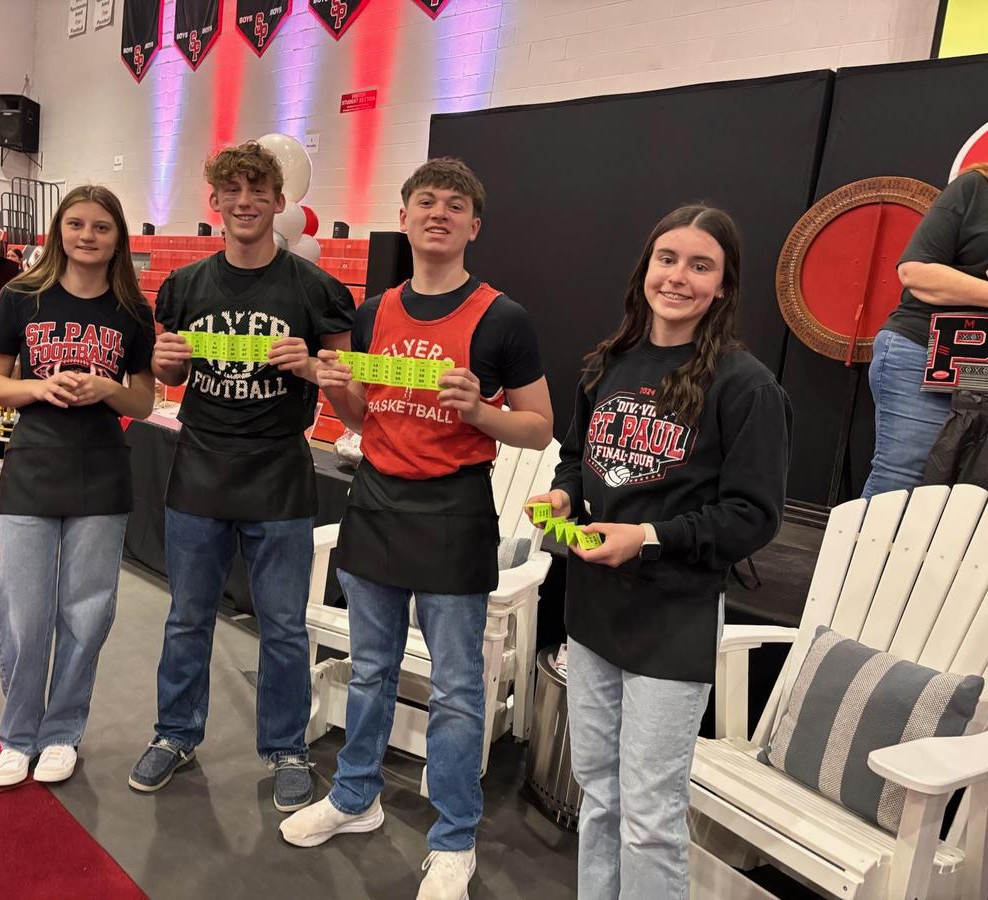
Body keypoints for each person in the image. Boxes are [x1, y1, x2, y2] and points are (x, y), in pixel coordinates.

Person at [280, 158, 554, 900]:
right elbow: (366, 414)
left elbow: (538, 427)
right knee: (370, 669)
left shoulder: (503, 318)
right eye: (425, 201)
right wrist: (340, 390)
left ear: (474, 225)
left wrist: (481, 412)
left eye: (455, 204)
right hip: (375, 502)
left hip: (454, 511)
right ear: (402, 218)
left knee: (458, 688)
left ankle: (455, 835)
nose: (439, 213)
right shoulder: (373, 313)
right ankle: (355, 797)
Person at [524, 206, 789, 900]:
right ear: (645, 268)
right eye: (666, 259)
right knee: (599, 791)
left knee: (649, 815)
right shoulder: (608, 363)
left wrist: (645, 538)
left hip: (673, 619)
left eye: (701, 266)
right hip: (592, 611)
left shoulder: (746, 385)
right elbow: (577, 455)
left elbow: (753, 517)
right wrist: (563, 494)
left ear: (724, 285)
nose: (677, 277)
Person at [129, 142, 354, 812]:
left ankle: (286, 747)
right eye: (234, 190)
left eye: (260, 190)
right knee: (187, 617)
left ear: (280, 201)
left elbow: (350, 391)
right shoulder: (184, 286)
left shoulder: (316, 289)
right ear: (216, 201)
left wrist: (314, 367)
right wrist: (166, 363)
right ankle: (175, 734)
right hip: (199, 470)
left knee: (282, 625)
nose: (246, 201)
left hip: (279, 475)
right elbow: (170, 373)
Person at [0, 185, 156, 787]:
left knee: (87, 611)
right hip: (33, 464)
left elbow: (143, 399)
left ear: (117, 238)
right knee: (23, 611)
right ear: (59, 230)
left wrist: (107, 389)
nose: (87, 236)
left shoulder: (132, 311)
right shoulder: (21, 296)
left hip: (102, 469)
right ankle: (17, 734)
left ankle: (61, 732)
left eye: (101, 227)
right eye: (76, 224)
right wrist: (39, 387)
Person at [861, 164, 988, 498]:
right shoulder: (976, 187)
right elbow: (916, 273)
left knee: (968, 492)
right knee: (904, 482)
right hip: (925, 351)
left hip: (979, 368)